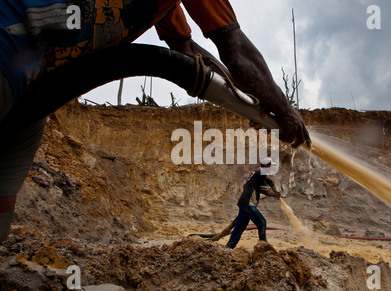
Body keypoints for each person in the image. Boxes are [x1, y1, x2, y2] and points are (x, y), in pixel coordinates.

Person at [0, 0, 311, 242]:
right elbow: (235, 47)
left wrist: (252, 106)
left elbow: (188, 52)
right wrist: (284, 111)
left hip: (34, 89)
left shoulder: (165, 8)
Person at [226, 158, 281, 249]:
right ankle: (263, 245)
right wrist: (275, 195)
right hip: (248, 203)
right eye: (270, 165)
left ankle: (229, 247)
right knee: (262, 222)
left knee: (239, 227)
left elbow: (269, 182)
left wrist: (276, 191)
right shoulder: (262, 171)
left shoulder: (257, 172)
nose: (271, 167)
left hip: (243, 202)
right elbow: (265, 191)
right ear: (267, 165)